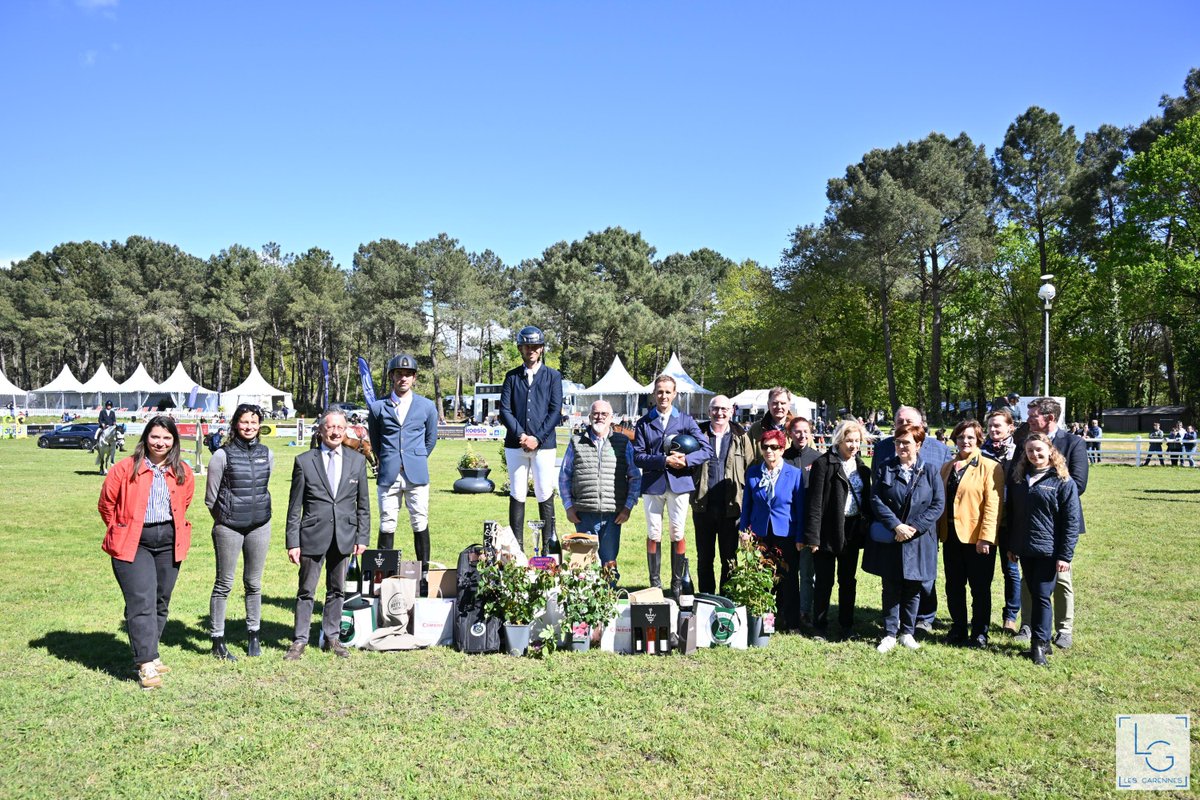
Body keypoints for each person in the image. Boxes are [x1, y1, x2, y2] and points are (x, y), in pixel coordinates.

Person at [97, 416, 195, 690]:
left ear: (174, 441)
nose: (160, 443)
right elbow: (106, 504)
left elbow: (185, 502)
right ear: (145, 438)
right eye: (155, 437)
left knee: (161, 600)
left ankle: (150, 650)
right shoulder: (124, 468)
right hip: (133, 541)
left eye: (166, 438)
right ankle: (145, 663)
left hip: (169, 542)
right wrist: (122, 528)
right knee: (141, 601)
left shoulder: (182, 471)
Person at [284, 411, 371, 661]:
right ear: (321, 430)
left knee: (337, 590)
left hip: (344, 535)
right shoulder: (304, 461)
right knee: (306, 590)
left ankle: (332, 637)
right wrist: (293, 542)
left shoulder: (357, 461)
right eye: (330, 427)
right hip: (312, 535)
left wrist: (362, 537)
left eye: (340, 427)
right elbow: (294, 507)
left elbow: (363, 504)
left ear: (346, 430)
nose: (335, 432)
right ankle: (300, 640)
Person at [864, 422, 945, 653]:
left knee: (913, 586)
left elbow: (938, 504)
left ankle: (907, 632)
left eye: (906, 443)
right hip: (893, 536)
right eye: (898, 442)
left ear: (918, 445)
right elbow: (876, 499)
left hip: (919, 539)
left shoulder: (930, 471)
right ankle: (890, 633)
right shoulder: (885, 468)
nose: (901, 447)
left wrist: (914, 528)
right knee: (890, 586)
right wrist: (896, 526)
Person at [1016, 397, 1087, 650]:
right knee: (1028, 581)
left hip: (1057, 524)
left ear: (1049, 418)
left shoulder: (1073, 443)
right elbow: (1019, 477)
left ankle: (1063, 629)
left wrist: (1050, 490)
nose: (1028, 419)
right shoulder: (1024, 441)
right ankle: (1028, 625)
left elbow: (1078, 483)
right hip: (1030, 526)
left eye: (1033, 415)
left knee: (1061, 580)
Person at [205, 403, 273, 661]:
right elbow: (210, 498)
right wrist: (226, 518)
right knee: (224, 583)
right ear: (236, 424)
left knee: (253, 583)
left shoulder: (267, 453)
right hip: (229, 527)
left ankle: (254, 634)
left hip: (259, 526)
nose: (249, 426)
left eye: (254, 422)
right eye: (245, 422)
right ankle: (217, 640)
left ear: (259, 425)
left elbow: (263, 486)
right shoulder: (221, 455)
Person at [1006, 433, 1082, 666]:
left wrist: (1065, 555)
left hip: (1049, 551)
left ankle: (1038, 645)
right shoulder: (1020, 479)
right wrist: (1013, 546)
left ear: (1050, 450)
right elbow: (1014, 516)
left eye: (1039, 450)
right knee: (1035, 593)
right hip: (1025, 549)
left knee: (1041, 596)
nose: (1035, 454)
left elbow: (1071, 522)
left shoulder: (1062, 481)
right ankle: (1045, 641)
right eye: (1030, 451)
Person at [633, 374, 710, 598]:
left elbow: (706, 450)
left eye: (668, 392)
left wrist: (686, 460)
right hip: (653, 484)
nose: (663, 396)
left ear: (675, 394)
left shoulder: (686, 420)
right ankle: (655, 585)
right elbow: (638, 457)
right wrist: (664, 460)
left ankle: (677, 584)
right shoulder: (644, 422)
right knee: (653, 532)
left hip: (679, 484)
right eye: (660, 391)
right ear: (654, 393)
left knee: (677, 532)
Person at [367, 354, 439, 573]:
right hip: (389, 474)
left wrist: (414, 458)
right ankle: (383, 575)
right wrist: (390, 459)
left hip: (416, 473)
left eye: (408, 374)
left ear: (414, 378)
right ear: (392, 376)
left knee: (420, 521)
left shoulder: (427, 406)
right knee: (387, 523)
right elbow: (375, 441)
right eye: (399, 374)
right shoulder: (378, 407)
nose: (403, 378)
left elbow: (430, 439)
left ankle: (424, 573)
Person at [558, 400, 642, 583]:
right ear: (589, 417)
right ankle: (585, 599)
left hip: (613, 515)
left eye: (604, 414)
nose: (599, 417)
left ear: (611, 418)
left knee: (609, 564)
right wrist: (568, 507)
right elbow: (564, 476)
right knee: (583, 565)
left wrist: (628, 507)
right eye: (595, 413)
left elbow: (635, 477)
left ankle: (610, 597)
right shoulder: (576, 441)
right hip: (583, 514)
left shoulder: (622, 442)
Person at [803, 419, 871, 641]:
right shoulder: (824, 463)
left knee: (848, 580)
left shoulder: (862, 467)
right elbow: (814, 503)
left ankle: (846, 625)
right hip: (827, 530)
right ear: (839, 440)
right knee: (824, 581)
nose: (853, 445)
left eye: (857, 441)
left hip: (852, 531)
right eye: (849, 440)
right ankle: (819, 626)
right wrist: (813, 537)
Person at [937, 420, 1003, 648]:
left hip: (977, 539)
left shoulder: (990, 467)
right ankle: (958, 628)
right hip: (950, 536)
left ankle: (980, 632)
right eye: (960, 437)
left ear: (978, 440)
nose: (965, 441)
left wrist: (986, 537)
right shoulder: (947, 467)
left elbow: (993, 506)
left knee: (980, 588)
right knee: (954, 586)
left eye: (970, 437)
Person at [498, 325, 563, 553]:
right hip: (515, 445)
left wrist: (537, 438)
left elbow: (555, 411)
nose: (531, 350)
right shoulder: (511, 377)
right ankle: (517, 550)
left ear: (541, 348)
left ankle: (548, 549)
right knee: (517, 493)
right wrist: (522, 435)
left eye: (535, 346)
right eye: (527, 346)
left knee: (545, 492)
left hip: (544, 446)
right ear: (520, 349)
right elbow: (504, 410)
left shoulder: (553, 376)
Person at [740, 430, 805, 629]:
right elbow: (747, 505)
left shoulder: (794, 474)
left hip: (786, 533)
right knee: (763, 578)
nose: (769, 451)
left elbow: (800, 508)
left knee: (789, 580)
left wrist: (800, 536)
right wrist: (744, 531)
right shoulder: (753, 472)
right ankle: (767, 624)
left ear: (782, 449)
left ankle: (791, 623)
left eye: (774, 447)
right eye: (765, 447)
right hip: (760, 533)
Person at [691, 394, 752, 594]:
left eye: (724, 409)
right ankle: (706, 598)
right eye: (715, 409)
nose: (720, 413)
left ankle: (727, 600)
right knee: (704, 558)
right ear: (709, 411)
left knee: (730, 559)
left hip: (731, 508)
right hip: (703, 506)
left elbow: (750, 468)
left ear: (731, 412)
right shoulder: (697, 435)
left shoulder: (741, 436)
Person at [981, 408, 1021, 633]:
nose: (993, 429)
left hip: (1010, 520)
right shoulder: (980, 451)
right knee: (983, 572)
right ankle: (982, 616)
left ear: (1010, 427)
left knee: (1011, 570)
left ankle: (1010, 616)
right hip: (986, 519)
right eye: (990, 426)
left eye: (998, 425)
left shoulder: (1020, 452)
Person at [783, 415, 821, 623]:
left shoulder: (818, 459)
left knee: (807, 572)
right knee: (786, 570)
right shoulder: (782, 457)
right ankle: (785, 609)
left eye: (805, 431)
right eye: (797, 431)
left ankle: (805, 610)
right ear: (790, 433)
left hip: (808, 524)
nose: (802, 435)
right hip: (786, 523)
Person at [748, 387, 795, 462]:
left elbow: (810, 455)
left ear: (789, 405)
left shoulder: (798, 428)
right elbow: (747, 458)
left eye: (783, 403)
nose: (779, 407)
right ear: (768, 405)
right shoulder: (755, 429)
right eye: (775, 403)